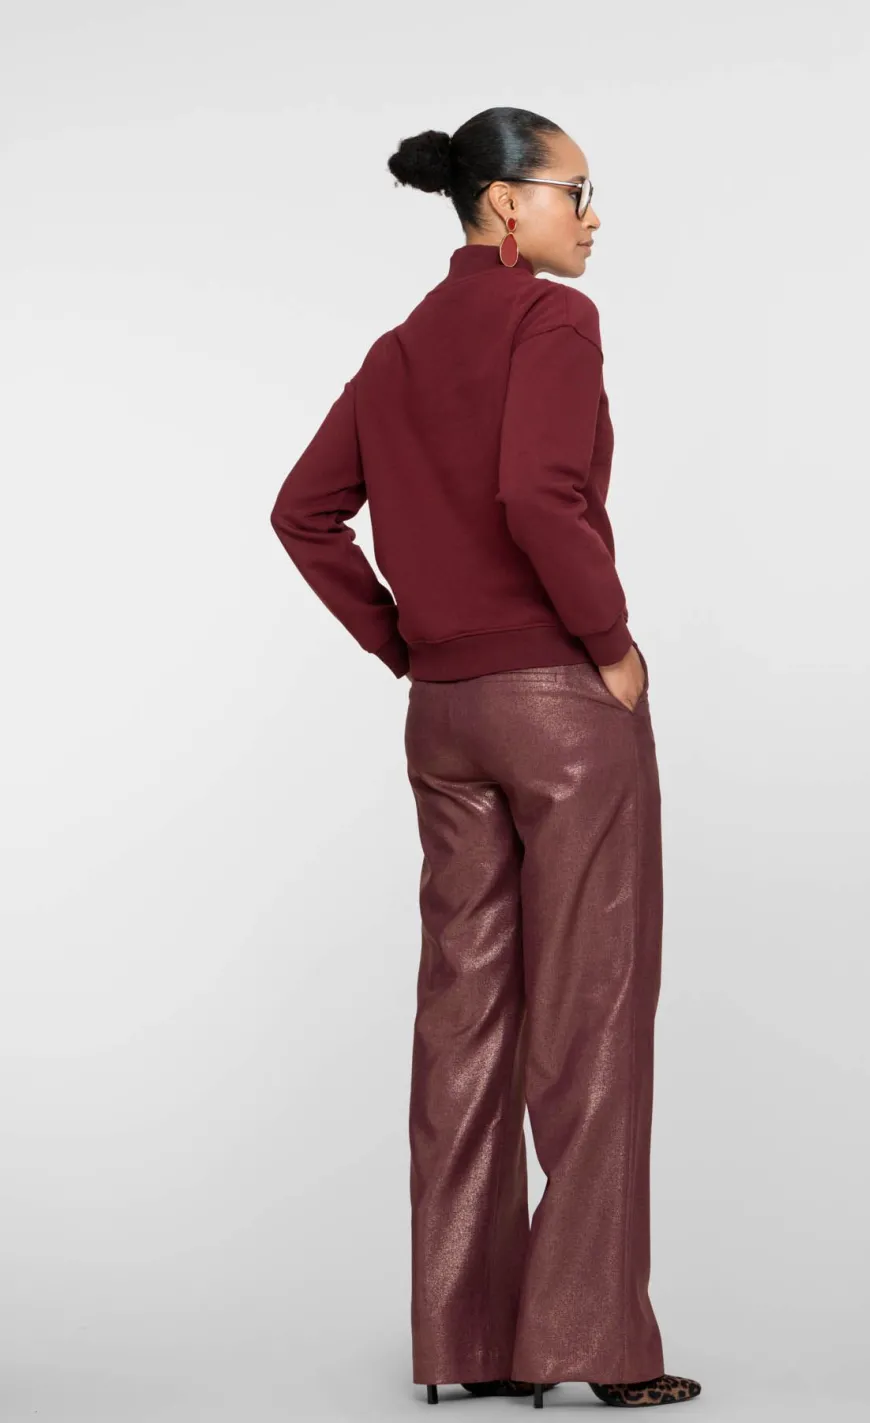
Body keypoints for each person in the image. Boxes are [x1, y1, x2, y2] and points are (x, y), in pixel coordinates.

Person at [269, 105, 702, 1411]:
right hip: (559, 705)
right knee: (591, 1014)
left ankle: (462, 1344)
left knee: (462, 1017)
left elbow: (303, 512)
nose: (593, 216)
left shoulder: (398, 350)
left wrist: (405, 641)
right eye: (577, 190)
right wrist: (610, 643)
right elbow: (536, 494)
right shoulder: (551, 320)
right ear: (507, 203)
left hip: (446, 715)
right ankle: (593, 1344)